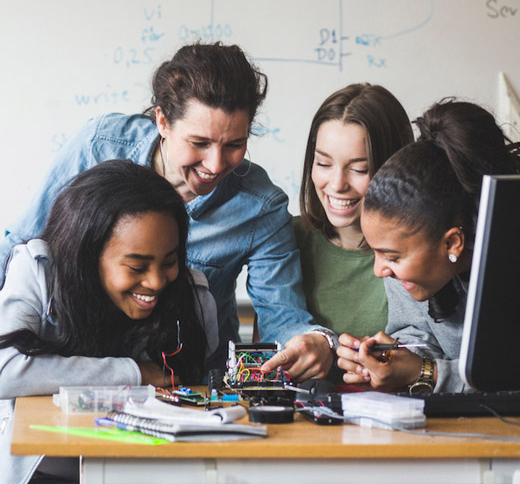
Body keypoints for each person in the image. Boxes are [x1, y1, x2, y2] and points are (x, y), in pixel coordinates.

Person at [0, 42, 335, 379]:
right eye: (199, 143)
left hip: (183, 377)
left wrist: (317, 342)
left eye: (235, 144)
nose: (216, 165)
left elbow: (283, 319)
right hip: (73, 371)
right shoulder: (98, 146)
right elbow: (19, 246)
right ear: (162, 120)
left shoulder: (260, 206)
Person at [0, 159, 218, 483]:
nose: (158, 282)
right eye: (136, 267)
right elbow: (5, 371)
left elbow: (202, 391)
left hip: (148, 471)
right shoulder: (38, 272)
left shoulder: (193, 299)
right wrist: (134, 372)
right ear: (86, 256)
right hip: (44, 470)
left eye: (169, 261)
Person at [336, 99, 520, 393]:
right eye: (376, 252)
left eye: (391, 257)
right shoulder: (408, 272)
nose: (379, 270)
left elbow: (506, 378)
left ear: (452, 243)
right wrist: (395, 359)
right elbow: (418, 333)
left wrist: (427, 373)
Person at [293, 83, 413, 337]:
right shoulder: (286, 239)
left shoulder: (418, 252)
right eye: (323, 163)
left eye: (359, 169)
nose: (337, 185)